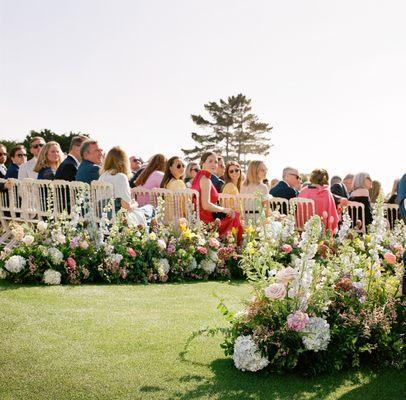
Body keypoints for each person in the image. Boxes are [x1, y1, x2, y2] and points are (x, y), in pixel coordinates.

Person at [191, 152, 242, 244]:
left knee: (232, 215)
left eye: (215, 162)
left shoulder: (198, 177)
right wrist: (224, 209)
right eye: (210, 161)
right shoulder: (206, 180)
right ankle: (234, 248)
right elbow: (206, 205)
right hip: (207, 221)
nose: (214, 164)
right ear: (202, 163)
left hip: (199, 217)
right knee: (235, 216)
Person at [99, 147, 154, 228]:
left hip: (104, 218)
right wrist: (135, 204)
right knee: (151, 208)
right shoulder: (121, 177)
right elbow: (126, 207)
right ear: (124, 162)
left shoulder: (102, 177)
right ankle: (150, 238)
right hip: (121, 219)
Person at [299, 168, 339, 233]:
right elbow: (332, 212)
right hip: (319, 229)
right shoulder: (325, 193)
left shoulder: (303, 191)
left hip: (303, 227)